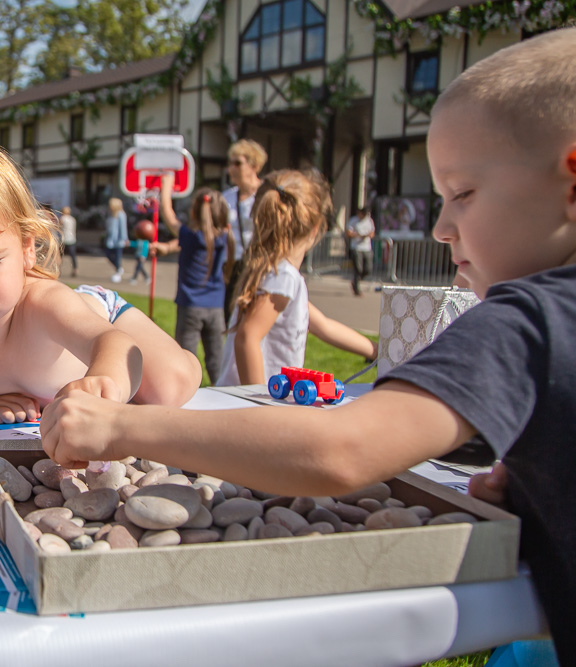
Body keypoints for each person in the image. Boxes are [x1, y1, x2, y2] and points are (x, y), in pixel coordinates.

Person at [41, 28, 576, 664]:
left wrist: (120, 428)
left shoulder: (527, 320)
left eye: (462, 193)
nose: (440, 226)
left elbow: (340, 450)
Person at [0, 138, 201, 424]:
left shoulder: (44, 304)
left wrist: (104, 386)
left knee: (167, 390)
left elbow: (114, 343)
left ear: (26, 248)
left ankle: (186, 361)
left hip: (104, 316)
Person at [217, 171, 377, 386]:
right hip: (252, 406)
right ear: (315, 228)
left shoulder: (279, 275)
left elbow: (324, 326)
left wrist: (378, 351)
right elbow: (247, 339)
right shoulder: (282, 277)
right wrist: (256, 405)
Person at [154, 177, 232, 383]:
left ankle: (188, 398)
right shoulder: (224, 237)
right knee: (216, 362)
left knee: (186, 359)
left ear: (193, 212)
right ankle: (223, 397)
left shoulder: (189, 236)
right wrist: (169, 246)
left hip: (190, 308)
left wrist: (166, 186)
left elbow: (168, 213)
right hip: (216, 309)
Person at [222, 139, 267, 323]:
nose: (231, 168)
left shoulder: (266, 194)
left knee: (254, 318)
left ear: (254, 165)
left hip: (258, 264)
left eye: (237, 163)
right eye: (230, 163)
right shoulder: (227, 197)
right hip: (232, 265)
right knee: (230, 317)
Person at [346, 206, 374, 296]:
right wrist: (358, 235)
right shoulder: (354, 221)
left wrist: (368, 235)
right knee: (358, 268)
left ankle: (355, 281)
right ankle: (356, 288)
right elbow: (348, 233)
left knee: (368, 268)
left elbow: (372, 232)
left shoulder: (369, 221)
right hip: (356, 247)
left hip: (366, 247)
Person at [104, 197, 128, 283]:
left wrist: (124, 239)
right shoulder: (110, 214)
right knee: (108, 254)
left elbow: (123, 227)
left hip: (118, 240)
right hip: (110, 240)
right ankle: (118, 268)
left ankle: (118, 272)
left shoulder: (121, 214)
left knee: (118, 257)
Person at [128, 220, 151, 285]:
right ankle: (146, 277)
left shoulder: (145, 242)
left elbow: (145, 249)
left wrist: (143, 256)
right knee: (141, 268)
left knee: (138, 268)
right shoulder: (139, 240)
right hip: (138, 255)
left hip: (141, 257)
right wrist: (130, 243)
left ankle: (134, 278)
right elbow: (136, 244)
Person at [59, 205, 78, 277]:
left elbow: (58, 226)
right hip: (72, 239)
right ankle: (75, 268)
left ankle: (58, 269)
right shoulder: (73, 219)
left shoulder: (62, 218)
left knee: (60, 256)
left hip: (64, 239)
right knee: (73, 256)